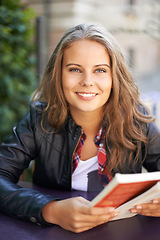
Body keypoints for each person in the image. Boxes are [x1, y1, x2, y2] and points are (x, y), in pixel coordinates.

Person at [0, 23, 160, 233]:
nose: (87, 81)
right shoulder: (39, 120)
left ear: (115, 77)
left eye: (100, 70)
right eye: (75, 69)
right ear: (58, 74)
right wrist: (51, 209)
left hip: (123, 232)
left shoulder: (138, 121)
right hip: (55, 233)